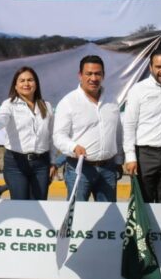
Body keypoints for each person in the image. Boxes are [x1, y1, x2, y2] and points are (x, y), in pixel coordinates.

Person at [52, 55, 123, 202]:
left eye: (98, 73)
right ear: (80, 75)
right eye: (89, 73)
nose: (93, 78)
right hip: (79, 170)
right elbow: (58, 136)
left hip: (108, 169)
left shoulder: (112, 100)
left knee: (108, 220)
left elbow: (117, 133)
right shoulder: (68, 102)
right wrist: (74, 147)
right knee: (76, 217)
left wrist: (119, 161)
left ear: (103, 75)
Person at [122, 48, 161, 204]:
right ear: (151, 67)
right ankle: (145, 230)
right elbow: (129, 126)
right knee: (143, 203)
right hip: (144, 155)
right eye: (158, 67)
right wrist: (130, 157)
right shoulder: (138, 90)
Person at [0, 67, 56, 200]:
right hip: (16, 164)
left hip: (41, 165)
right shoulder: (9, 104)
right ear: (15, 86)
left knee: (39, 207)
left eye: (30, 80)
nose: (26, 84)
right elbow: (1, 118)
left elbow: (51, 137)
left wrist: (53, 162)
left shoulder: (47, 106)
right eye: (22, 81)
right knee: (20, 206)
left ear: (36, 84)